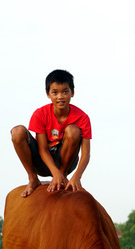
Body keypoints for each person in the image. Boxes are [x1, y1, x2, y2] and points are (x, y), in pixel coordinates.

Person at [11, 69, 92, 198]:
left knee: (73, 131)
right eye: (55, 92)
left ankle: (63, 175)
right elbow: (43, 149)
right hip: (42, 162)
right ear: (48, 94)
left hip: (66, 163)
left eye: (65, 92)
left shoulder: (82, 117)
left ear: (73, 93)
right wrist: (55, 173)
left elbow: (86, 154)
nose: (60, 96)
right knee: (17, 132)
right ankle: (32, 178)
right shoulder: (40, 114)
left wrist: (77, 176)